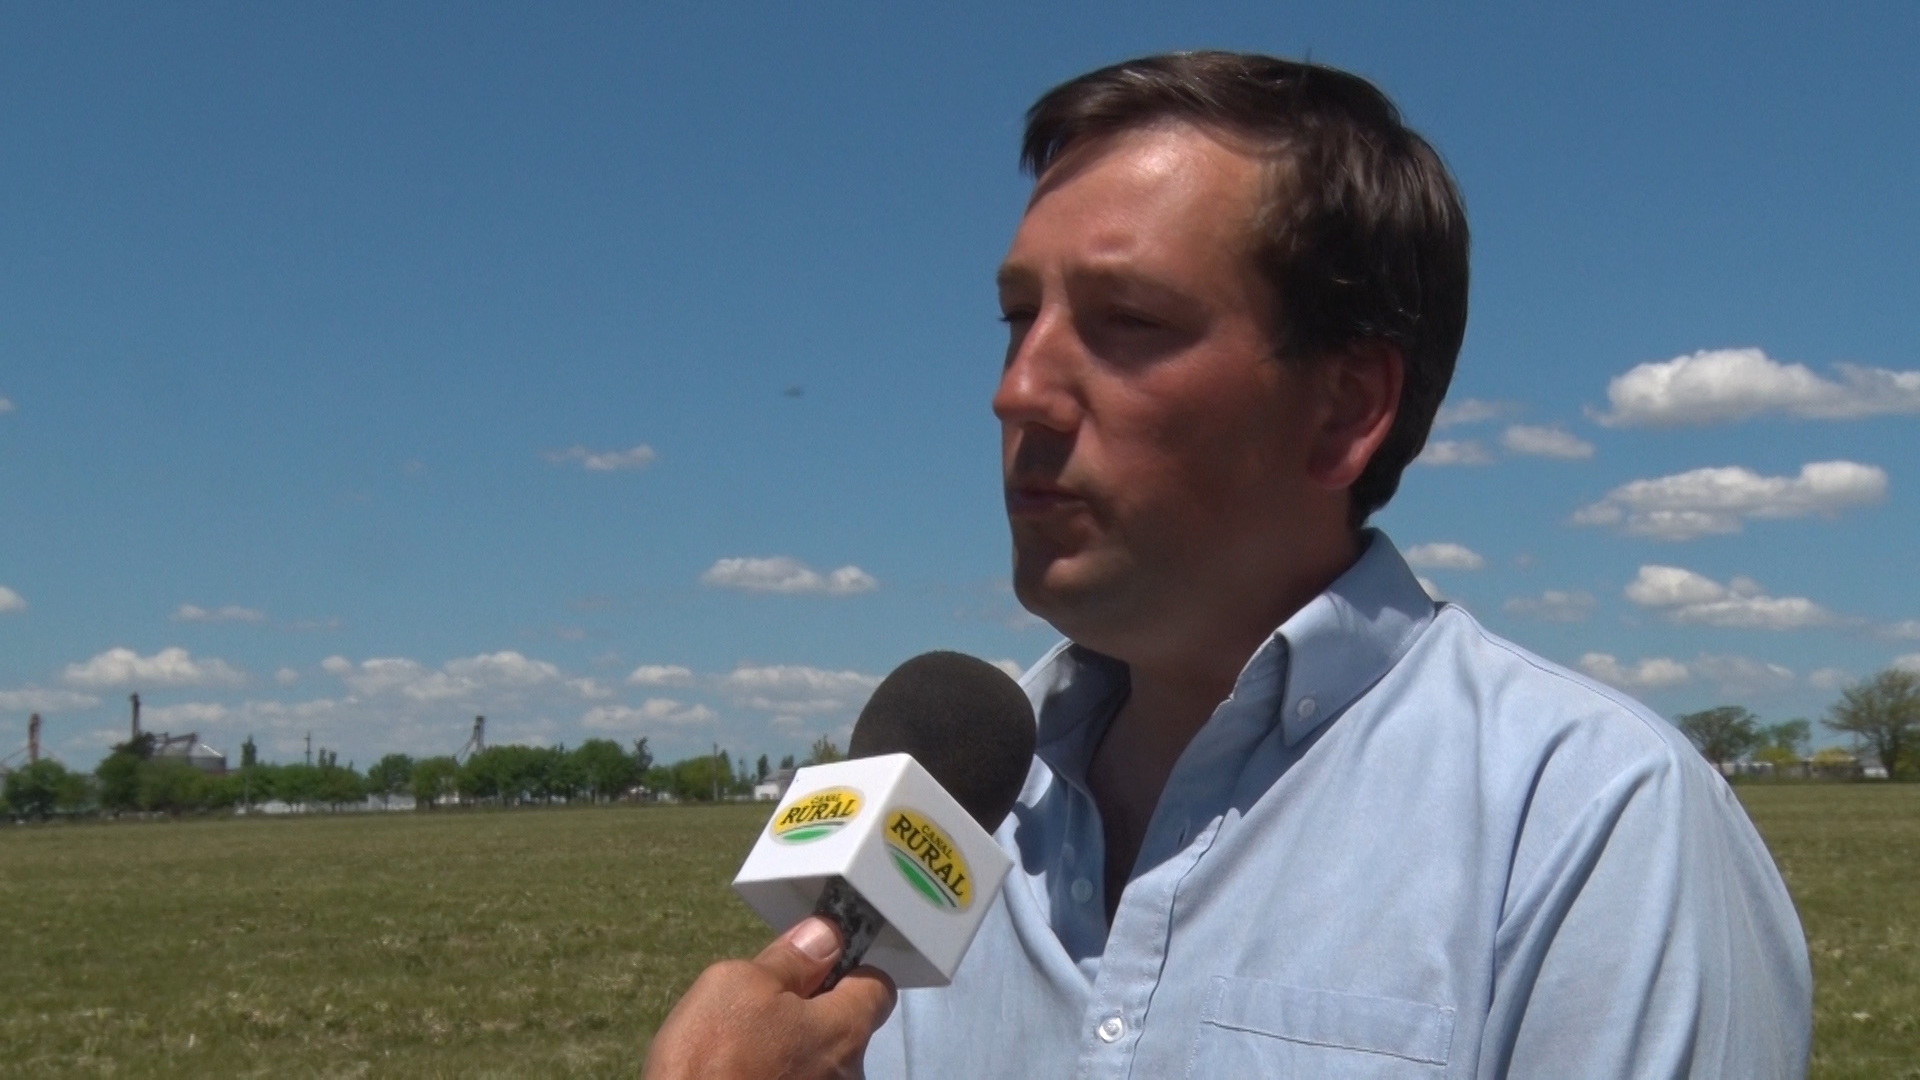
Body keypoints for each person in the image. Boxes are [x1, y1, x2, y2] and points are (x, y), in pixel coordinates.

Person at [644, 51, 1812, 1078]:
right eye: (1017, 318)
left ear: (1344, 407)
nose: (1018, 390)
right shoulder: (957, 808)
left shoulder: (1590, 820)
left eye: (1127, 321)